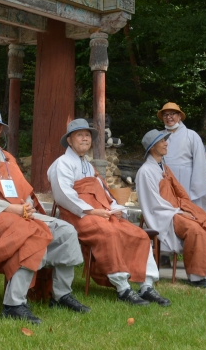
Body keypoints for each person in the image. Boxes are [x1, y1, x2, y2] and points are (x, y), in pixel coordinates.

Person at [0, 107, 89, 324]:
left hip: (19, 214)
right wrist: (13, 210)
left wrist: (27, 207)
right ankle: (13, 304)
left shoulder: (7, 157)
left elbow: (21, 190)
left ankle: (61, 294)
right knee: (31, 234)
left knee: (66, 230)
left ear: (0, 130)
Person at [47, 119, 165, 306]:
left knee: (138, 234)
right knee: (108, 232)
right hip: (78, 216)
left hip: (101, 213)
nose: (85, 139)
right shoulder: (61, 164)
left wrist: (115, 209)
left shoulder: (88, 165)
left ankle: (147, 286)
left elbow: (106, 194)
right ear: (69, 140)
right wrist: (93, 211)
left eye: (87, 135)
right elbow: (64, 196)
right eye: (80, 135)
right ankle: (123, 288)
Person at [137, 129, 206, 288]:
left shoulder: (164, 168)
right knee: (196, 230)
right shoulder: (145, 171)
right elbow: (153, 203)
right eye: (162, 141)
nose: (166, 143)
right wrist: (180, 212)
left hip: (176, 211)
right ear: (153, 147)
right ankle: (197, 276)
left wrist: (188, 210)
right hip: (163, 215)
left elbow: (180, 193)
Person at [159, 103, 206, 212]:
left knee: (189, 211)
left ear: (179, 116)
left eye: (172, 114)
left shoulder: (192, 135)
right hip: (165, 178)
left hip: (187, 180)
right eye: (165, 115)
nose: (168, 117)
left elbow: (200, 163)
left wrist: (197, 187)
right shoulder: (159, 136)